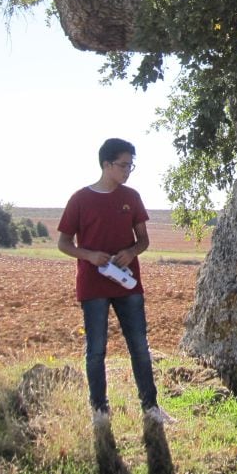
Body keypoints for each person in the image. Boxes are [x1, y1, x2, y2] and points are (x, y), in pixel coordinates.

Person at [57, 138, 173, 426]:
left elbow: (143, 239)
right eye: (123, 165)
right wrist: (90, 255)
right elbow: (63, 243)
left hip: (128, 284)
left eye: (131, 165)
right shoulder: (79, 199)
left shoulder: (132, 197)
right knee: (96, 350)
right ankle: (99, 410)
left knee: (139, 346)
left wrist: (131, 251)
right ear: (106, 164)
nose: (128, 171)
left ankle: (151, 407)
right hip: (93, 285)